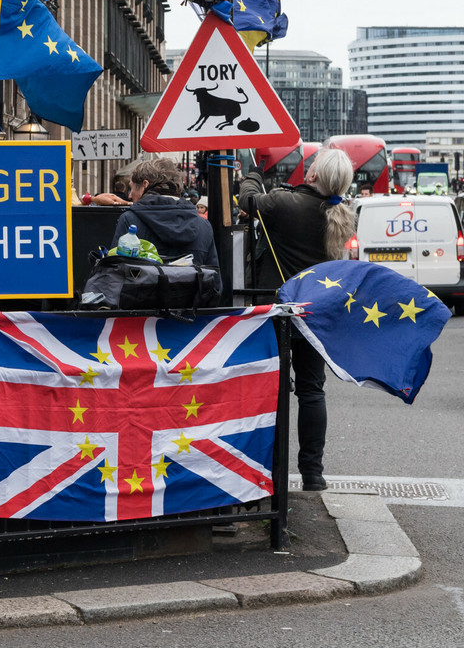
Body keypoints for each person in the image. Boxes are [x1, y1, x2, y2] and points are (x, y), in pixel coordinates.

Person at [238, 148, 355, 494]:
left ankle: (268, 475)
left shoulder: (285, 204)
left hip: (276, 314)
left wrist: (254, 173)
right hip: (314, 316)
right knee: (311, 391)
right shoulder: (342, 215)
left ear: (314, 176)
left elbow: (247, 200)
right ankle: (313, 475)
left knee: (269, 391)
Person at [112, 155, 219, 269]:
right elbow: (214, 279)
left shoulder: (129, 221)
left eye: (131, 188)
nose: (129, 195)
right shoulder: (203, 226)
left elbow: (114, 272)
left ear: (145, 185)